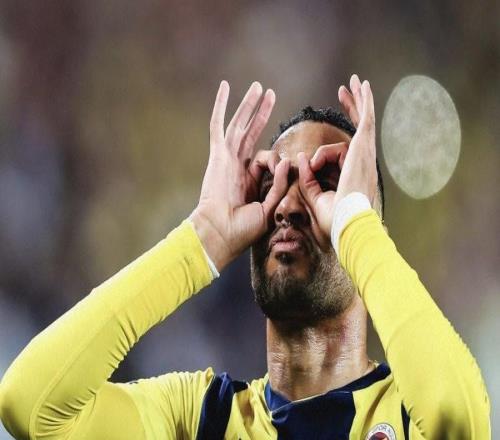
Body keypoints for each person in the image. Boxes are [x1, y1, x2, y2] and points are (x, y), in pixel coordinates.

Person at [0, 75, 490, 440]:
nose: (288, 206)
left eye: (326, 186)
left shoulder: (405, 416)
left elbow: (459, 421)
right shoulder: (201, 420)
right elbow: (33, 406)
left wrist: (355, 225)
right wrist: (201, 241)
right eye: (271, 185)